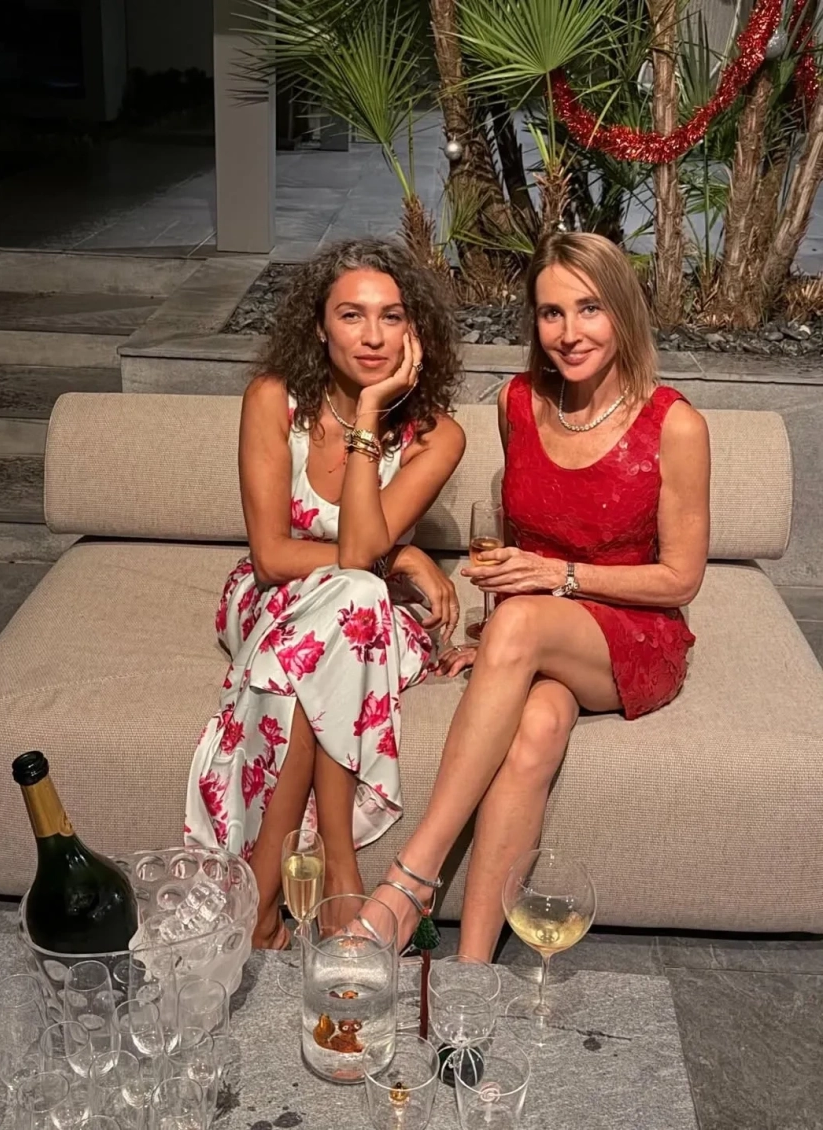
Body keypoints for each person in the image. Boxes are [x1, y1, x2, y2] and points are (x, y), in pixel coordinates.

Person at [367, 231, 711, 959]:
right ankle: (473, 968)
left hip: (633, 634)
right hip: (542, 630)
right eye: (551, 313)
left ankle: (412, 878)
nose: (568, 332)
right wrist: (497, 642)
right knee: (537, 729)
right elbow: (517, 542)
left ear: (622, 311)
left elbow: (681, 578)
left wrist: (554, 583)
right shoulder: (518, 402)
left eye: (589, 309)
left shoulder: (675, 424)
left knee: (523, 625)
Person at [184, 238, 466, 949]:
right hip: (275, 597)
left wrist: (370, 416)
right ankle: (339, 862)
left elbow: (361, 555)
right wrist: (402, 554)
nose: (373, 336)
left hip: (369, 614)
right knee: (355, 594)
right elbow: (274, 555)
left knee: (354, 600)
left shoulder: (437, 437)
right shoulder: (272, 401)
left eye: (391, 317)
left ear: (414, 332)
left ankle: (261, 902)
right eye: (351, 315)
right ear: (318, 326)